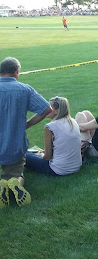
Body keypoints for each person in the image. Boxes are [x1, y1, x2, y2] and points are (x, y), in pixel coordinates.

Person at [0, 57, 52, 207]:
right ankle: (11, 181)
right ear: (16, 72)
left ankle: (4, 184)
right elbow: (46, 109)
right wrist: (28, 124)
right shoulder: (25, 89)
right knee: (16, 173)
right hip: (14, 144)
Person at [25, 96, 82, 176]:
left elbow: (47, 157)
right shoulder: (73, 122)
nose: (46, 109)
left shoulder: (50, 127)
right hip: (76, 166)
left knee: (22, 154)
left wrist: (41, 155)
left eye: (49, 107)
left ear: (56, 110)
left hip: (58, 169)